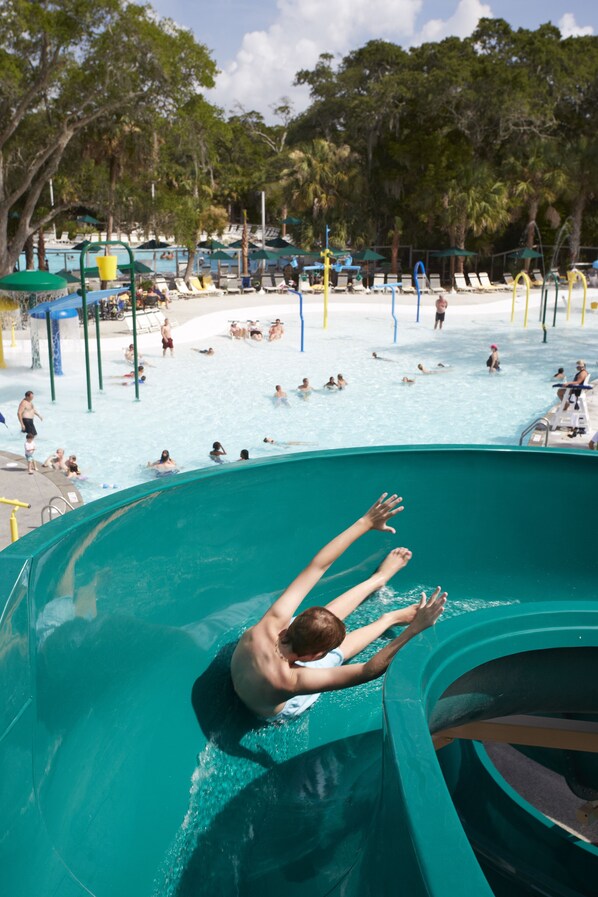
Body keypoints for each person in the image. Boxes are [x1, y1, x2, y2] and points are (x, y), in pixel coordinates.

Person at [230, 492, 447, 722]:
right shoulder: (290, 681)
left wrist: (365, 522)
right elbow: (366, 671)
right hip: (278, 709)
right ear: (312, 657)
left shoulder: (272, 622)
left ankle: (377, 580)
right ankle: (388, 619)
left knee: (320, 624)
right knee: (333, 653)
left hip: (252, 675)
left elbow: (317, 567)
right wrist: (414, 629)